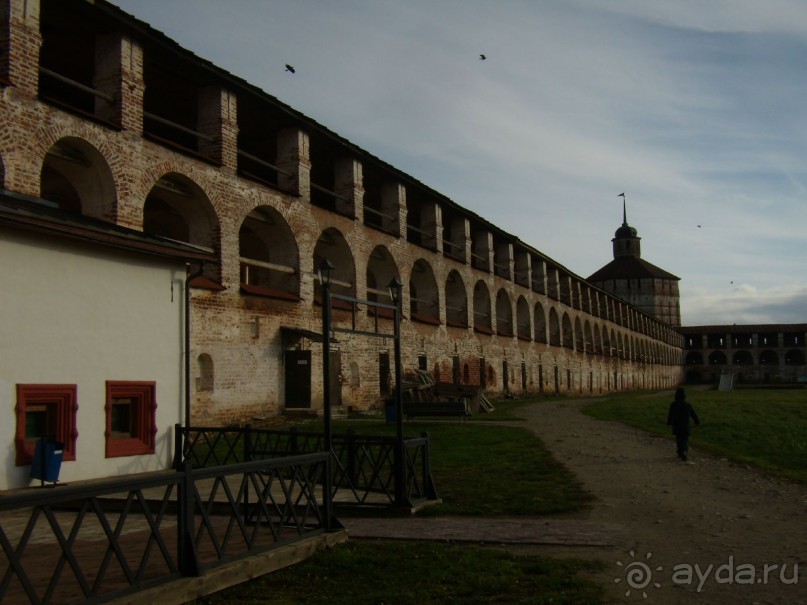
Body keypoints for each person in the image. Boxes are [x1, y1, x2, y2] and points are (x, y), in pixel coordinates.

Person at [667, 387, 700, 461]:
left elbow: (671, 414)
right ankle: (684, 451)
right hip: (685, 425)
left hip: (677, 425)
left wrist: (669, 423)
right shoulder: (688, 405)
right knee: (685, 439)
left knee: (679, 439)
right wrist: (697, 421)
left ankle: (680, 452)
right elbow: (693, 414)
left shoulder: (673, 405)